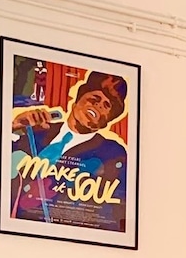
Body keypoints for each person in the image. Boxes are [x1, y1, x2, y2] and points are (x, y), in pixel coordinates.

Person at [10, 71, 129, 231]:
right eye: (95, 98)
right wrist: (14, 126)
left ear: (106, 122)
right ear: (77, 99)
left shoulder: (113, 153)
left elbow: (117, 211)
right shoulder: (35, 130)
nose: (99, 105)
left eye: (107, 105)